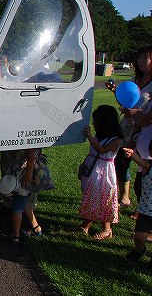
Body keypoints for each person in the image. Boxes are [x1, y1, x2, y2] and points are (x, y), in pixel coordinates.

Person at [106, 45, 152, 208]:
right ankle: (125, 197)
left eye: (145, 58)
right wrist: (115, 91)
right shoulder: (134, 80)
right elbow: (126, 101)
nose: (141, 61)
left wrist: (137, 113)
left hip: (145, 131)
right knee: (121, 162)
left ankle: (143, 205)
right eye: (139, 58)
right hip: (127, 128)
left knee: (144, 168)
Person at [77, 105, 122, 239]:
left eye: (96, 121)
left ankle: (106, 229)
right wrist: (83, 166)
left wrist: (89, 137)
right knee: (92, 197)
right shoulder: (98, 136)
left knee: (104, 199)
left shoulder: (115, 140)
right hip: (92, 170)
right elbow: (92, 152)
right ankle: (85, 226)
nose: (94, 124)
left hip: (104, 174)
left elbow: (101, 150)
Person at [122, 147, 152, 266]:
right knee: (139, 237)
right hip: (145, 210)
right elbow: (140, 162)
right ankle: (140, 250)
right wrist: (132, 154)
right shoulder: (148, 165)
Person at [8, 148, 43, 246]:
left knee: (17, 207)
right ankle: (36, 228)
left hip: (23, 176)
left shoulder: (29, 142)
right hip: (25, 174)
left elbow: (31, 158)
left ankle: (16, 235)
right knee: (23, 202)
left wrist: (28, 175)